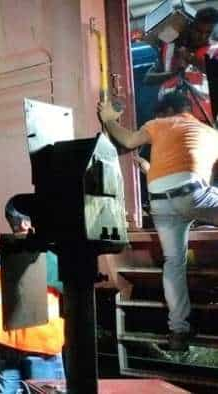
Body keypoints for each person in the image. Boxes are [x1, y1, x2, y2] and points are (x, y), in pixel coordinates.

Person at [98, 90, 218, 351]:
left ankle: (178, 333)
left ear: (165, 112)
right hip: (194, 194)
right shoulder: (210, 133)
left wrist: (108, 120)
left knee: (173, 263)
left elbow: (128, 140)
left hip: (160, 201)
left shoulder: (157, 124)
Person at [0, 198, 65, 394]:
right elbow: (67, 286)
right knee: (48, 390)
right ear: (26, 223)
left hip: (7, 340)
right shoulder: (40, 250)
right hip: (39, 342)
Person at [144, 7, 218, 124]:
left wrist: (190, 58)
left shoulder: (214, 52)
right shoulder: (169, 49)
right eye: (198, 31)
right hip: (170, 117)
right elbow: (148, 78)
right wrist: (173, 74)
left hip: (204, 121)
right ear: (191, 26)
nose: (202, 36)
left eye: (207, 33)